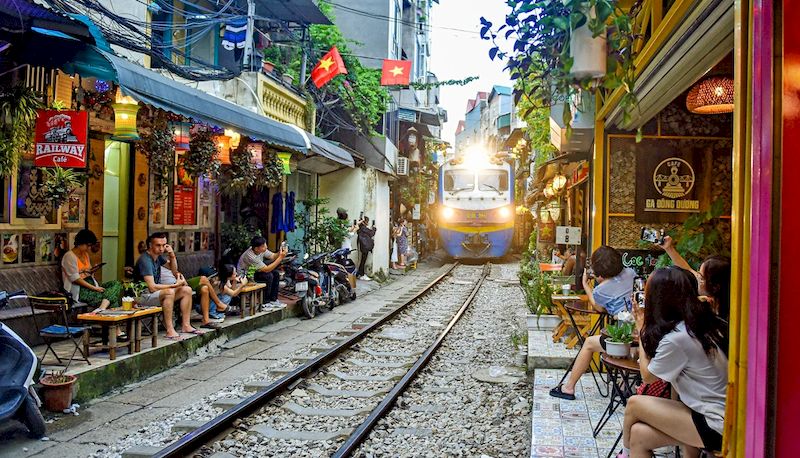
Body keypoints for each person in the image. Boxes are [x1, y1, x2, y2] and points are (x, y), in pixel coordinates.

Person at [620, 266, 728, 458]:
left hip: (715, 424)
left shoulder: (678, 338)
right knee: (638, 435)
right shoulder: (704, 322)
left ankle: (624, 455)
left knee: (635, 403)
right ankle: (627, 453)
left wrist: (642, 327)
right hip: (714, 414)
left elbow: (647, 377)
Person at [550, 245, 636, 400]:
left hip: (625, 337)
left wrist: (586, 286)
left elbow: (599, 307)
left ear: (599, 271)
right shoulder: (631, 273)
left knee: (589, 343)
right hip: (641, 333)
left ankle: (569, 387)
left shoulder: (601, 290)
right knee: (629, 348)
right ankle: (623, 385)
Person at [135, 233, 200, 340]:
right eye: (158, 245)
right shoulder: (145, 260)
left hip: (155, 294)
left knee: (186, 290)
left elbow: (173, 270)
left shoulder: (158, 258)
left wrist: (172, 255)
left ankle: (186, 325)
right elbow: (152, 287)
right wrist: (174, 285)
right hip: (142, 296)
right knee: (169, 292)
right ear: (150, 245)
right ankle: (170, 330)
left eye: (164, 245)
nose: (161, 248)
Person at [658, 236, 731, 321]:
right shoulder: (714, 300)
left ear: (715, 287)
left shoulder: (726, 317)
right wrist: (669, 248)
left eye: (701, 277)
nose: (697, 278)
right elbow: (687, 270)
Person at [61, 229, 124, 313]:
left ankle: (102, 309)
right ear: (80, 243)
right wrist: (94, 288)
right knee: (112, 299)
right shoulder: (69, 257)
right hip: (80, 290)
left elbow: (88, 271)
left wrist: (92, 270)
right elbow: (76, 279)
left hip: (91, 284)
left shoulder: (85, 254)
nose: (89, 248)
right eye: (88, 245)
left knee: (116, 284)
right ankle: (106, 316)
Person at [237, 236, 287, 308]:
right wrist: (281, 258)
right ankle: (265, 303)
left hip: (254, 271)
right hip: (246, 276)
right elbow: (267, 269)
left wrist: (281, 251)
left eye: (265, 244)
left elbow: (273, 256)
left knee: (275, 273)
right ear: (256, 248)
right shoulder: (250, 256)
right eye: (263, 246)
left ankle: (273, 300)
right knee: (268, 276)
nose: (266, 247)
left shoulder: (261, 249)